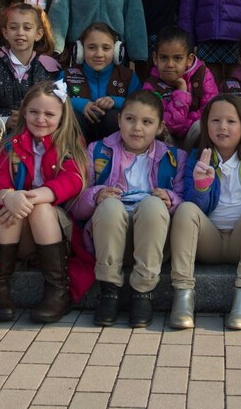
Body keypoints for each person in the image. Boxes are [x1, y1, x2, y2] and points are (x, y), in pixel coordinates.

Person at [0, 80, 88, 324]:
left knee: (41, 208)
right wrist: (8, 196)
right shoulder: (8, 146)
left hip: (57, 234)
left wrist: (35, 197)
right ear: (24, 112)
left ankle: (57, 289)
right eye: (34, 112)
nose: (40, 119)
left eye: (49, 114)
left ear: (62, 116)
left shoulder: (69, 145)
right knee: (9, 207)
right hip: (19, 233)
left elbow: (74, 180)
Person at [169, 95, 241, 330]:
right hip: (209, 241)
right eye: (215, 120)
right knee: (186, 209)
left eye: (231, 121)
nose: (222, 127)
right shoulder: (198, 157)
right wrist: (201, 186)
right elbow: (194, 209)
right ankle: (182, 296)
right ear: (206, 126)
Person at [71, 90, 185, 328]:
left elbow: (186, 204)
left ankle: (143, 291)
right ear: (119, 119)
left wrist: (171, 199)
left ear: (160, 127)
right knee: (110, 205)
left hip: (153, 242)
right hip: (110, 240)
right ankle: (109, 289)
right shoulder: (97, 151)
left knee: (153, 204)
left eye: (147, 122)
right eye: (130, 119)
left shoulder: (175, 157)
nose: (137, 128)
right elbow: (76, 205)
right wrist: (96, 194)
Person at [0, 3, 62, 146]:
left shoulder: (49, 67)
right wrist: (5, 120)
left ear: (38, 34)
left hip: (40, 132)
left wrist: (31, 116)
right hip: (2, 135)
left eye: (27, 28)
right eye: (14, 28)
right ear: (5, 33)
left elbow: (59, 107)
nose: (20, 32)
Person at [142, 25, 218, 147]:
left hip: (194, 139)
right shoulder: (151, 84)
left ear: (189, 59)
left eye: (177, 58)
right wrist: (182, 92)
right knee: (154, 128)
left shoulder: (202, 75)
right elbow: (168, 124)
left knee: (203, 126)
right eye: (164, 58)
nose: (170, 64)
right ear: (155, 58)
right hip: (166, 142)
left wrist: (186, 125)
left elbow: (210, 110)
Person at [65, 22, 141, 143]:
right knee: (72, 116)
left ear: (117, 50)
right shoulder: (67, 75)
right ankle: (75, 159)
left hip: (114, 140)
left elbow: (140, 104)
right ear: (80, 50)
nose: (99, 54)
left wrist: (116, 101)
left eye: (106, 48)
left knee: (113, 117)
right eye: (91, 47)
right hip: (79, 137)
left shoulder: (128, 76)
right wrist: (79, 104)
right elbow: (54, 100)